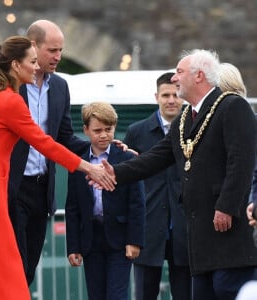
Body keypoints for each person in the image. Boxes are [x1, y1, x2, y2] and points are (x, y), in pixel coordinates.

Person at [0, 36, 113, 300]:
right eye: (31, 62)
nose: (35, 67)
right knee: (4, 264)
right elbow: (43, 143)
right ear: (16, 66)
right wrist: (90, 168)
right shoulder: (10, 101)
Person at [96, 49, 257, 300]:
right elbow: (155, 157)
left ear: (199, 76)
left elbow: (242, 162)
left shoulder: (232, 107)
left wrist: (226, 205)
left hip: (229, 236)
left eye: (179, 72)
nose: (174, 79)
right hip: (200, 239)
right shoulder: (185, 118)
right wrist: (114, 173)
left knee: (228, 291)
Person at [65, 101, 145, 300]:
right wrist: (74, 246)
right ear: (85, 130)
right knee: (96, 295)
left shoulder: (127, 158)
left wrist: (134, 241)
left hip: (119, 239)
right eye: (97, 130)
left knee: (117, 295)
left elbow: (137, 203)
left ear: (115, 127)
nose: (103, 135)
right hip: (91, 240)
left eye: (108, 129)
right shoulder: (79, 162)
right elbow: (72, 207)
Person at [124, 72, 191, 300]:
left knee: (185, 293)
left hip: (184, 226)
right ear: (156, 97)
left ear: (182, 96)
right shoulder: (137, 132)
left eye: (175, 94)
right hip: (148, 225)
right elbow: (130, 182)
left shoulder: (195, 130)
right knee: (144, 293)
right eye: (165, 95)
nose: (171, 100)